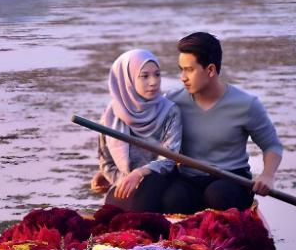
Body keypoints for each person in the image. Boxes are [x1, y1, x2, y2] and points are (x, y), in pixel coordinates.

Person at [161, 32, 283, 214]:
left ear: (210, 70)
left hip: (231, 181)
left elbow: (272, 145)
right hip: (189, 179)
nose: (182, 77)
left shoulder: (246, 104)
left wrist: (267, 175)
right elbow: (149, 138)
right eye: (181, 69)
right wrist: (111, 169)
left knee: (218, 194)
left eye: (189, 70)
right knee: (171, 200)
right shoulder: (172, 102)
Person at [94, 49, 182, 212]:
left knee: (149, 202)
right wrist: (125, 180)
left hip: (160, 179)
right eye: (145, 76)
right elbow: (106, 162)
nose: (154, 82)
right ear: (127, 80)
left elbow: (169, 158)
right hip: (126, 182)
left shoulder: (169, 111)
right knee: (114, 213)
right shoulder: (111, 114)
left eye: (157, 74)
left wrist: (140, 173)